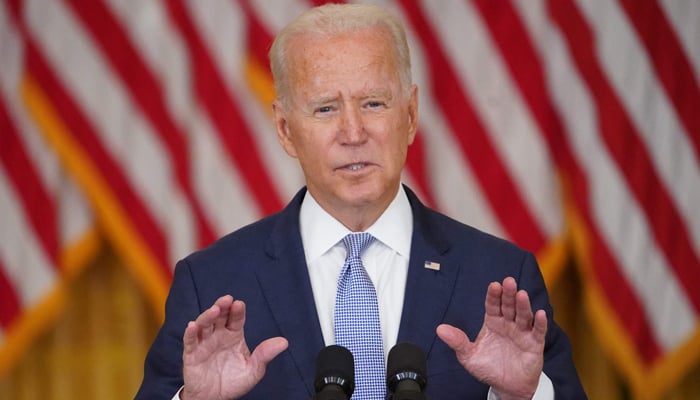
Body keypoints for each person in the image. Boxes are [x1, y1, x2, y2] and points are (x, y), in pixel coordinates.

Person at [135, 3, 586, 400]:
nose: (353, 133)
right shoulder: (212, 283)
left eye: (373, 103)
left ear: (410, 116)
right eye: (326, 108)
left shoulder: (498, 278)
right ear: (286, 130)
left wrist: (522, 397)